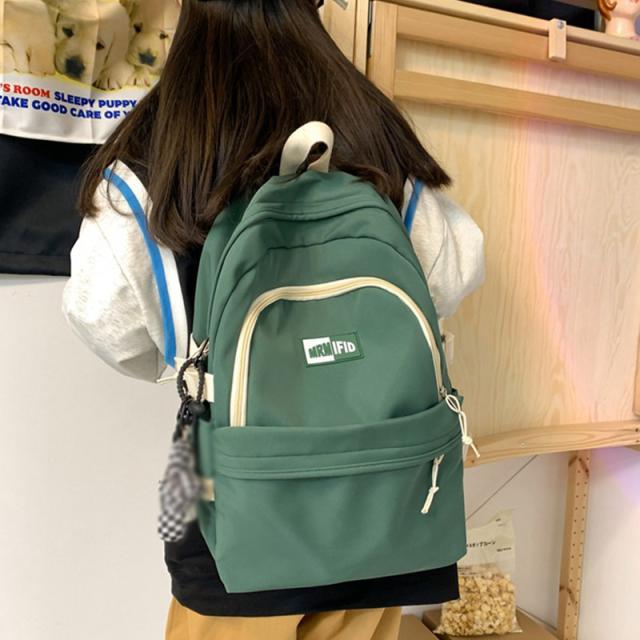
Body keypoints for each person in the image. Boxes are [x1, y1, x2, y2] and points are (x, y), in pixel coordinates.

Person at [62, 1, 485, 638]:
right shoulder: (376, 139)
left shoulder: (155, 158)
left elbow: (105, 322)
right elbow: (454, 272)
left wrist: (190, 361)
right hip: (385, 503)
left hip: (234, 522)